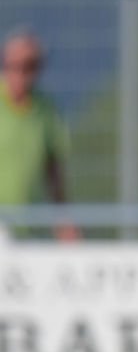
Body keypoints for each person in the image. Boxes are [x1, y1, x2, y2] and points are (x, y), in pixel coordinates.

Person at [0, 30, 79, 241]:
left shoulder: (46, 111)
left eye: (29, 66)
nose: (20, 73)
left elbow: (53, 169)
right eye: (13, 65)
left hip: (28, 228)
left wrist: (64, 220)